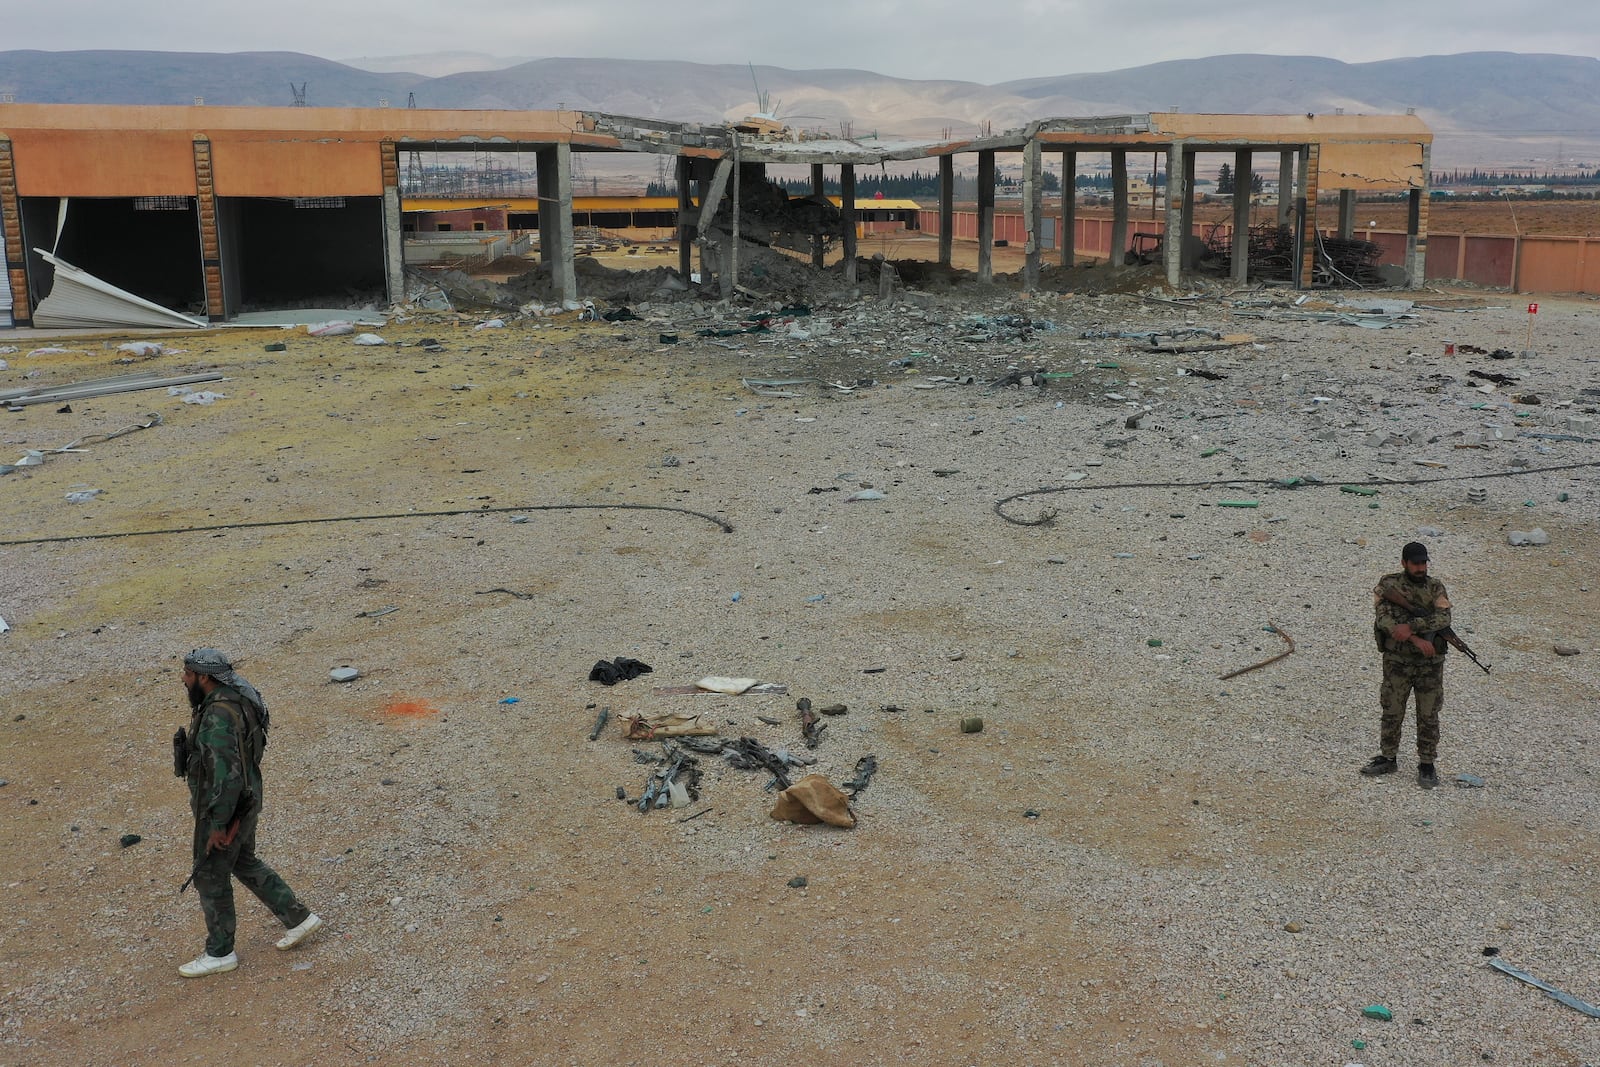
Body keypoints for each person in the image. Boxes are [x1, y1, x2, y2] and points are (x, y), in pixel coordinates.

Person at [176, 648, 321, 977]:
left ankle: (220, 952)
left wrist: (217, 823)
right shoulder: (238, 697)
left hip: (226, 807)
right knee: (241, 860)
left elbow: (226, 776)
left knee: (211, 874)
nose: (183, 679)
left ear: (204, 677)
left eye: (187, 673)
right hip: (248, 797)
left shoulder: (217, 716)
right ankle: (299, 918)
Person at [1360, 542, 1452, 788]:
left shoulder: (1435, 587)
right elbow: (1384, 619)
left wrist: (1412, 628)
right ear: (1404, 563)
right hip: (1397, 661)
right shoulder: (1390, 584)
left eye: (1424, 563)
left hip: (1429, 665)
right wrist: (1414, 638)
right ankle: (1388, 757)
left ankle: (1427, 764)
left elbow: (1443, 617)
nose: (1421, 568)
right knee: (1391, 711)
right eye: (1415, 563)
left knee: (1428, 714)